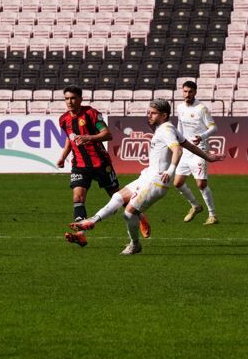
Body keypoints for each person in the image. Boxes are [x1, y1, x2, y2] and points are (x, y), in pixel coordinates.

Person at [69, 99, 222, 255]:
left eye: (153, 113)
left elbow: (178, 150)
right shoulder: (167, 128)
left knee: (129, 213)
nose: (149, 115)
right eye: (148, 112)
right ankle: (92, 221)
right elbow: (188, 145)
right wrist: (208, 157)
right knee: (117, 197)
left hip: (157, 181)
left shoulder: (166, 129)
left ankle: (135, 245)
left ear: (164, 115)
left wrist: (170, 170)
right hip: (148, 175)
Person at [55, 86, 137, 247]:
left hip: (100, 163)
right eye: (66, 99)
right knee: (78, 197)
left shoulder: (91, 114)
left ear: (80, 99)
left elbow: (107, 134)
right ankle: (80, 234)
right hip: (79, 164)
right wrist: (63, 156)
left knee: (117, 197)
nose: (69, 102)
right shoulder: (64, 119)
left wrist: (89, 138)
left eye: (73, 98)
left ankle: (139, 216)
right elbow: (70, 139)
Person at [174, 82, 219, 225]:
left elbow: (213, 127)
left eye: (190, 92)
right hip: (186, 150)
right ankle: (195, 205)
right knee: (178, 183)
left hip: (200, 150)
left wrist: (202, 137)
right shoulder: (180, 107)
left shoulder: (201, 109)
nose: (187, 95)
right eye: (185, 91)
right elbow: (180, 125)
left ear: (195, 92)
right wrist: (178, 142)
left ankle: (212, 215)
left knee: (201, 184)